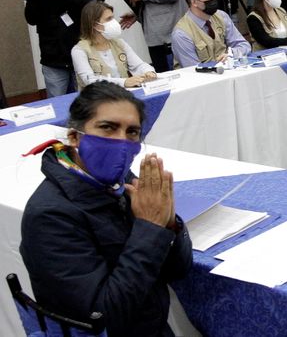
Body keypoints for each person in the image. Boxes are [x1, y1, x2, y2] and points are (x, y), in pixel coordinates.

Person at [20, 82, 192, 337]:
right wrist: (151, 228)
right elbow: (104, 316)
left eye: (132, 132)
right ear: (75, 137)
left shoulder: (124, 184)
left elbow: (178, 270)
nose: (121, 142)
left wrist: (169, 224)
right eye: (108, 128)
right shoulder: (50, 216)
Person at [20, 0, 91, 96]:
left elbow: (80, 12)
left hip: (78, 54)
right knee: (56, 102)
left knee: (85, 101)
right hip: (53, 58)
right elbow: (31, 19)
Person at [72, 1, 156, 89]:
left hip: (123, 95)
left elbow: (138, 65)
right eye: (109, 19)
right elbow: (90, 80)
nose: (114, 22)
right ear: (95, 25)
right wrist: (124, 82)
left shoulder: (119, 43)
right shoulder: (79, 50)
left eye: (113, 18)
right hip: (96, 100)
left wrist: (148, 72)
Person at [171, 0, 251, 67]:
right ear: (194, 2)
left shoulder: (221, 16)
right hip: (201, 77)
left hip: (226, 71)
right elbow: (193, 69)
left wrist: (231, 54)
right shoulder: (182, 34)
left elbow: (244, 45)